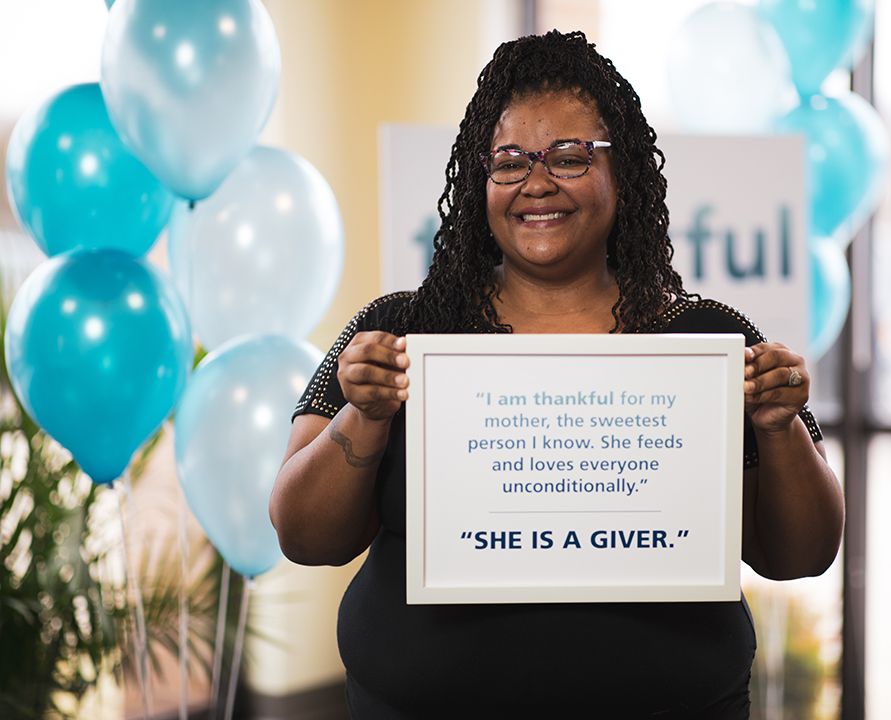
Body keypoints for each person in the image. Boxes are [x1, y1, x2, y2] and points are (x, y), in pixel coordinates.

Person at [270, 30, 843, 720]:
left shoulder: (710, 340)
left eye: (569, 157)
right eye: (509, 161)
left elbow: (804, 554)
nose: (537, 182)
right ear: (480, 178)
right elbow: (302, 537)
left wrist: (778, 429)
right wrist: (364, 416)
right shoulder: (399, 332)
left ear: (621, 171)